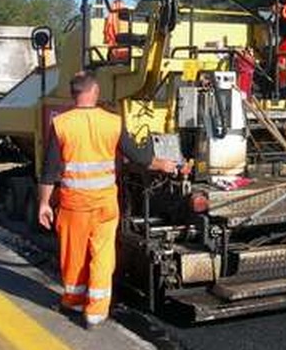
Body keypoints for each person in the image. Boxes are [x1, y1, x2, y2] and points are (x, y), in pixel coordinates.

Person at [38, 71, 182, 329]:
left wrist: (44, 204)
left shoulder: (62, 124)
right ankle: (96, 312)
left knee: (74, 256)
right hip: (106, 204)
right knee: (103, 255)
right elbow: (138, 156)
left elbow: (49, 171)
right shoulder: (113, 122)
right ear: (95, 92)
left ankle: (73, 301)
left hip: (75, 205)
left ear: (74, 95)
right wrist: (164, 164)